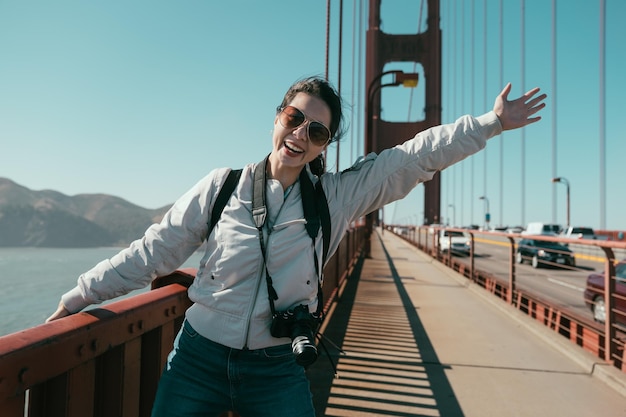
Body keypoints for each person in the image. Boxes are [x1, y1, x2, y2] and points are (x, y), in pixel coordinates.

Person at [46, 76, 546, 416]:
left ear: (326, 145)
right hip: (197, 357)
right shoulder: (223, 186)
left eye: (318, 131)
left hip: (277, 366)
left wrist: (491, 123)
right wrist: (79, 296)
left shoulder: (335, 198)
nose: (300, 134)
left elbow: (411, 159)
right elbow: (154, 252)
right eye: (293, 118)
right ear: (277, 117)